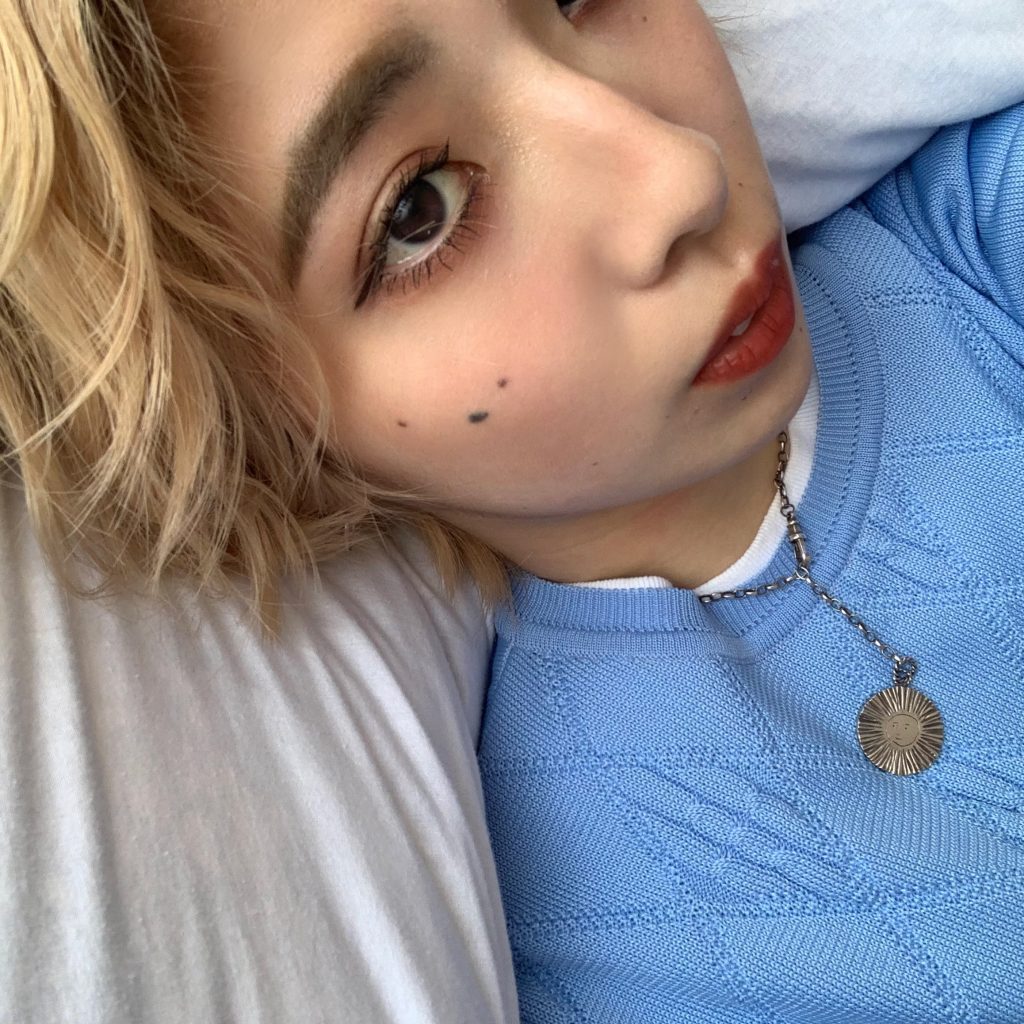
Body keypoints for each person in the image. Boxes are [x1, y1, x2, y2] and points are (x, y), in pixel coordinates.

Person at [3, 1, 1024, 1022]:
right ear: (253, 428)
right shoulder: (587, 937)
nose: (680, 172)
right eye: (420, 212)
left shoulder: (970, 222)